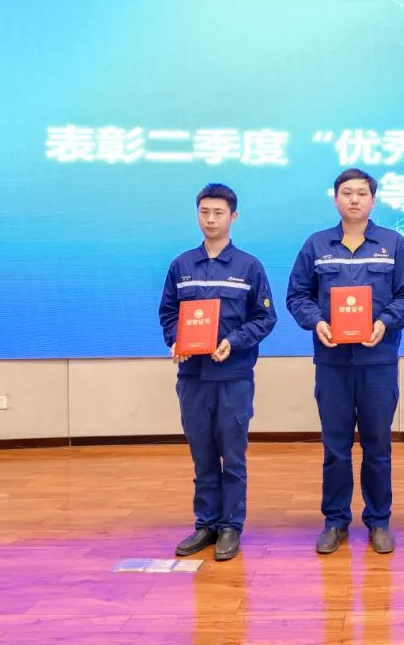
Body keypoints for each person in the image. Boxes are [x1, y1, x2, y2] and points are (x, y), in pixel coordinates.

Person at [286, 168, 404, 555]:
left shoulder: (392, 243)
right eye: (347, 193)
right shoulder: (316, 245)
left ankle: (378, 520)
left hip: (378, 362)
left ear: (373, 200)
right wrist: (317, 322)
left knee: (378, 445)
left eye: (362, 193)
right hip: (333, 363)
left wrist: (384, 322)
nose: (355, 199)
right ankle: (335, 520)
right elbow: (297, 295)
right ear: (336, 200)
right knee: (336, 447)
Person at [158, 183, 277, 561]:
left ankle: (230, 527)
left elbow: (265, 317)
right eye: (205, 212)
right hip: (192, 377)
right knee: (202, 453)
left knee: (233, 455)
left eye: (219, 213)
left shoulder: (249, 266)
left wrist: (234, 341)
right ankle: (206, 523)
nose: (211, 219)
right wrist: (175, 340)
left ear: (233, 217)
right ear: (198, 214)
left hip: (233, 376)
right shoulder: (181, 266)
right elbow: (168, 313)